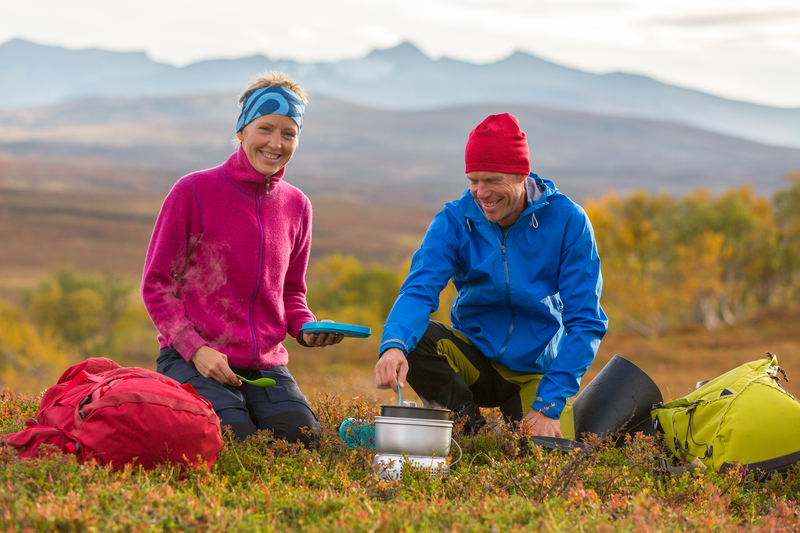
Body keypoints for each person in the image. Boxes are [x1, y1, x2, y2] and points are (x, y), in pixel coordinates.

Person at [373, 113, 608, 438]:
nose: (481, 193)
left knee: (544, 460)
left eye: (492, 180)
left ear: (521, 174)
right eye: (473, 180)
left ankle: (523, 423)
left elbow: (586, 322)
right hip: (475, 358)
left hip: (532, 372)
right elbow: (418, 291)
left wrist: (549, 405)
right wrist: (393, 346)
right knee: (414, 337)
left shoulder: (568, 221)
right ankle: (468, 431)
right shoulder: (454, 220)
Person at [142, 71, 342, 445]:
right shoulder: (193, 191)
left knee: (301, 440)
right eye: (265, 128)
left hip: (265, 365)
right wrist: (196, 350)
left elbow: (291, 292)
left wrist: (306, 328)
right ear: (242, 131)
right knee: (231, 437)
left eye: (289, 133)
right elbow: (157, 287)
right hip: (191, 358)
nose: (275, 143)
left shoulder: (298, 206)